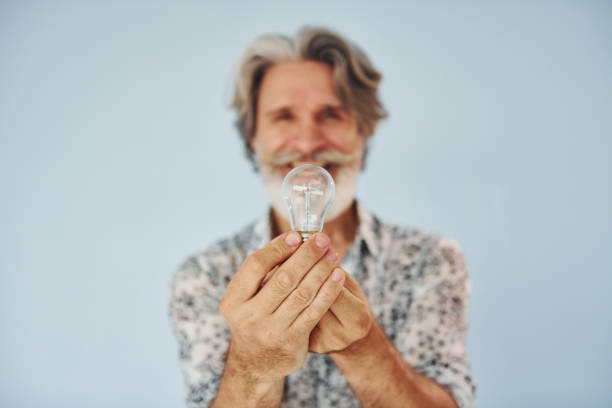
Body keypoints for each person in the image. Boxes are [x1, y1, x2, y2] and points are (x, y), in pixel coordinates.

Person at [168, 26, 476, 408]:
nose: (308, 141)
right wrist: (252, 365)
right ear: (254, 137)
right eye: (283, 117)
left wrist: (364, 348)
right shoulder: (205, 275)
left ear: (363, 132)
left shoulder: (428, 260)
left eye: (330, 114)